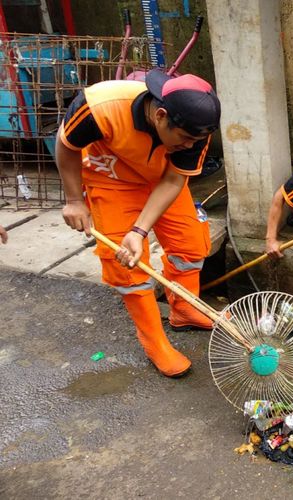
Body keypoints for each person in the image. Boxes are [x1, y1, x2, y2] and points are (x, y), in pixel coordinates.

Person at [55, 69, 221, 377]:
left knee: (191, 242)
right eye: (184, 139)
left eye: (194, 141)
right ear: (160, 115)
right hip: (112, 180)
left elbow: (174, 179)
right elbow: (66, 146)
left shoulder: (196, 128)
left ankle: (184, 309)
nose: (189, 146)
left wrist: (140, 229)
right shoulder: (99, 107)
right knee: (128, 266)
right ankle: (153, 340)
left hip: (162, 179)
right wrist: (75, 200)